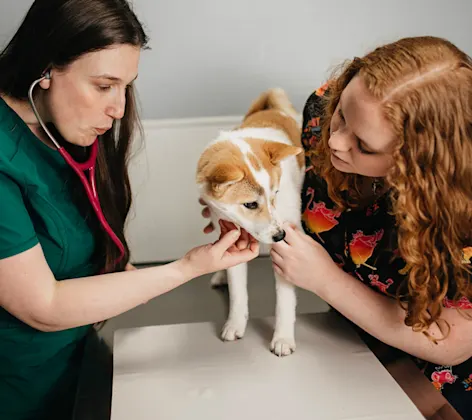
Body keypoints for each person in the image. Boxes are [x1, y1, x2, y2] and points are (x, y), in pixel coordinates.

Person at [0, 1, 259, 419]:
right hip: (18, 392)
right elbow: (43, 306)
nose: (119, 109)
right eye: (104, 86)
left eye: (126, 86)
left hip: (79, 368)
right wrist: (186, 267)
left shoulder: (65, 128)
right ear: (45, 70)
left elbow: (84, 255)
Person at [201, 36, 472, 418]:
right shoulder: (322, 115)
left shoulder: (464, 213)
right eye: (343, 114)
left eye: (364, 145)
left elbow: (453, 343)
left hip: (437, 374)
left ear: (419, 166)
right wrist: (241, 202)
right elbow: (284, 171)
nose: (334, 141)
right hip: (350, 339)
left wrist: (326, 280)